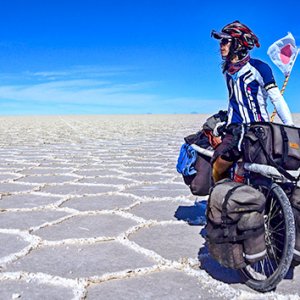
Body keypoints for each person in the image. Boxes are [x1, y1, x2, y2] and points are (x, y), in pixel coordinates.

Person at [210, 20, 294, 183]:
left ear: (239, 44)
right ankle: (223, 195)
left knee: (220, 167)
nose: (221, 45)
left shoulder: (259, 68)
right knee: (218, 165)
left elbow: (276, 98)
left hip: (256, 130)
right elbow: (234, 101)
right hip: (234, 129)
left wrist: (289, 128)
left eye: (225, 41)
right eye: (221, 42)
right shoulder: (228, 72)